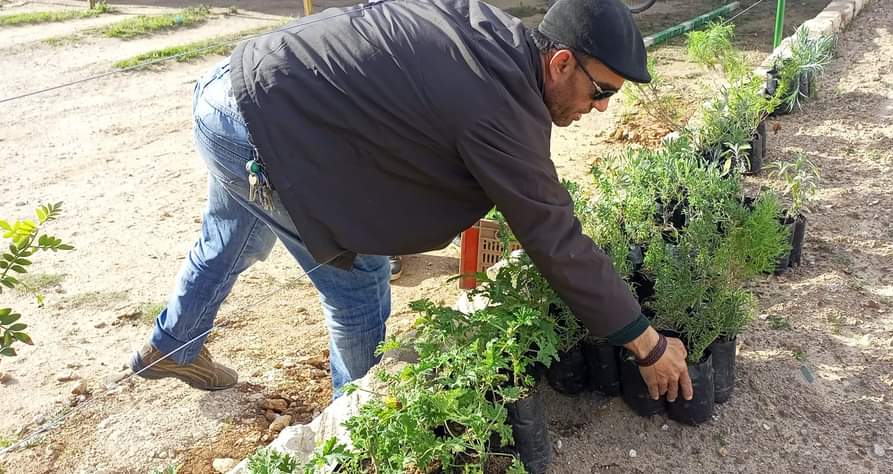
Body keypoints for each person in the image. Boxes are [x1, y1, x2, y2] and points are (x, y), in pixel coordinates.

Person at [130, 0, 693, 402]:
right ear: (562, 62)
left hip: (236, 88)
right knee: (360, 281)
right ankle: (353, 435)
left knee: (234, 234)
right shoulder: (497, 106)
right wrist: (645, 344)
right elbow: (553, 236)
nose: (602, 108)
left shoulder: (495, 38)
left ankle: (173, 344)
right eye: (602, 91)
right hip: (259, 122)